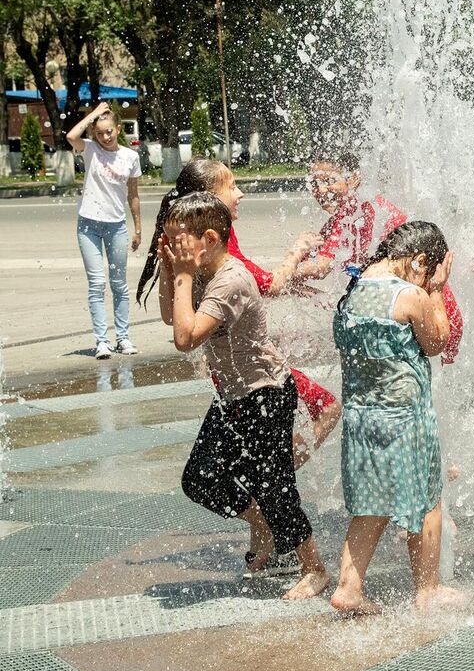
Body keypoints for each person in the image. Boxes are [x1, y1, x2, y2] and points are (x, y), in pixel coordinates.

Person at [159, 192, 329, 600]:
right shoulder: (199, 270)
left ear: (211, 239)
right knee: (199, 479)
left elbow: (185, 338)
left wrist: (182, 276)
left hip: (265, 395)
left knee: (274, 486)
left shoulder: (231, 280)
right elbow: (172, 316)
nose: (174, 250)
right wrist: (172, 271)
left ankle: (316, 569)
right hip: (233, 399)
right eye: (169, 243)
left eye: (179, 243)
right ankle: (267, 523)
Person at [136, 159, 342, 477]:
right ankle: (271, 486)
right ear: (209, 200)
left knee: (225, 477)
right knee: (326, 410)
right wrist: (298, 253)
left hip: (235, 376)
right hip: (257, 379)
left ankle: (267, 491)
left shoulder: (193, 241)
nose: (240, 193)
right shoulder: (219, 242)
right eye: (231, 186)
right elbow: (265, 283)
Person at [329, 220, 465, 616]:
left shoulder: (355, 288)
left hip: (360, 415)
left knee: (371, 505)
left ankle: (348, 588)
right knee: (427, 499)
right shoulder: (409, 296)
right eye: (430, 272)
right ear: (420, 261)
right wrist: (436, 290)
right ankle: (428, 588)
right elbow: (438, 341)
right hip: (405, 418)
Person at [289, 149, 463, 364]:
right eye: (314, 183)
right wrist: (303, 285)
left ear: (353, 179)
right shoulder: (348, 215)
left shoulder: (359, 212)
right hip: (421, 311)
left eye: (328, 181)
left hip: (432, 309)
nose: (320, 190)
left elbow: (320, 267)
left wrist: (286, 266)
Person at [67, 102, 142, 358]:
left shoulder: (130, 157)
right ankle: (102, 341)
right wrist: (94, 114)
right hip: (88, 225)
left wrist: (138, 229)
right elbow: (70, 136)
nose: (105, 137)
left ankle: (123, 338)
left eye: (109, 131)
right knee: (97, 284)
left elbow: (133, 195)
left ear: (118, 129)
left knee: (119, 285)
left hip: (117, 227)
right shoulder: (89, 150)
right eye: (99, 133)